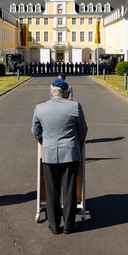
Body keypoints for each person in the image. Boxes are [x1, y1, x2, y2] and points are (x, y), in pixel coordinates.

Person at [32, 78, 88, 235]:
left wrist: (46, 142)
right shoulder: (74, 106)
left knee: (51, 190)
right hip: (70, 153)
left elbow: (35, 131)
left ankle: (54, 225)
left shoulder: (40, 107)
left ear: (52, 92)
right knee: (69, 190)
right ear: (65, 92)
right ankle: (69, 225)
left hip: (49, 153)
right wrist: (78, 144)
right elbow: (82, 129)